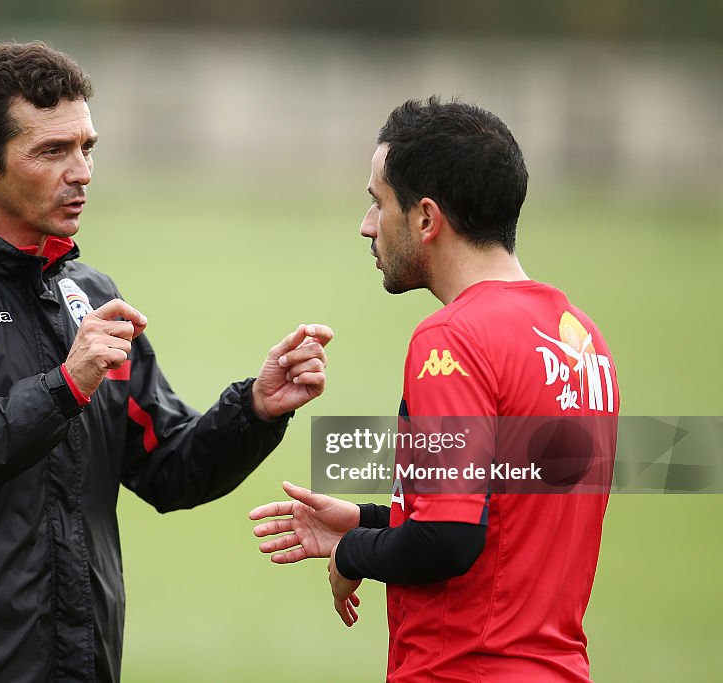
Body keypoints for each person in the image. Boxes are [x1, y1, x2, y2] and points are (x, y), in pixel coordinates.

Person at [0, 41, 332, 683]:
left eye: (87, 147)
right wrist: (63, 388)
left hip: (82, 659)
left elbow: (168, 468)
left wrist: (255, 409)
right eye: (52, 151)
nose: (82, 172)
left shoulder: (89, 294)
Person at [250, 97, 619, 682]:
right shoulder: (581, 340)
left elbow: (449, 538)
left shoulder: (452, 338)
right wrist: (369, 522)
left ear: (426, 218)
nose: (367, 225)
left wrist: (353, 554)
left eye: (378, 203)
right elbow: (503, 507)